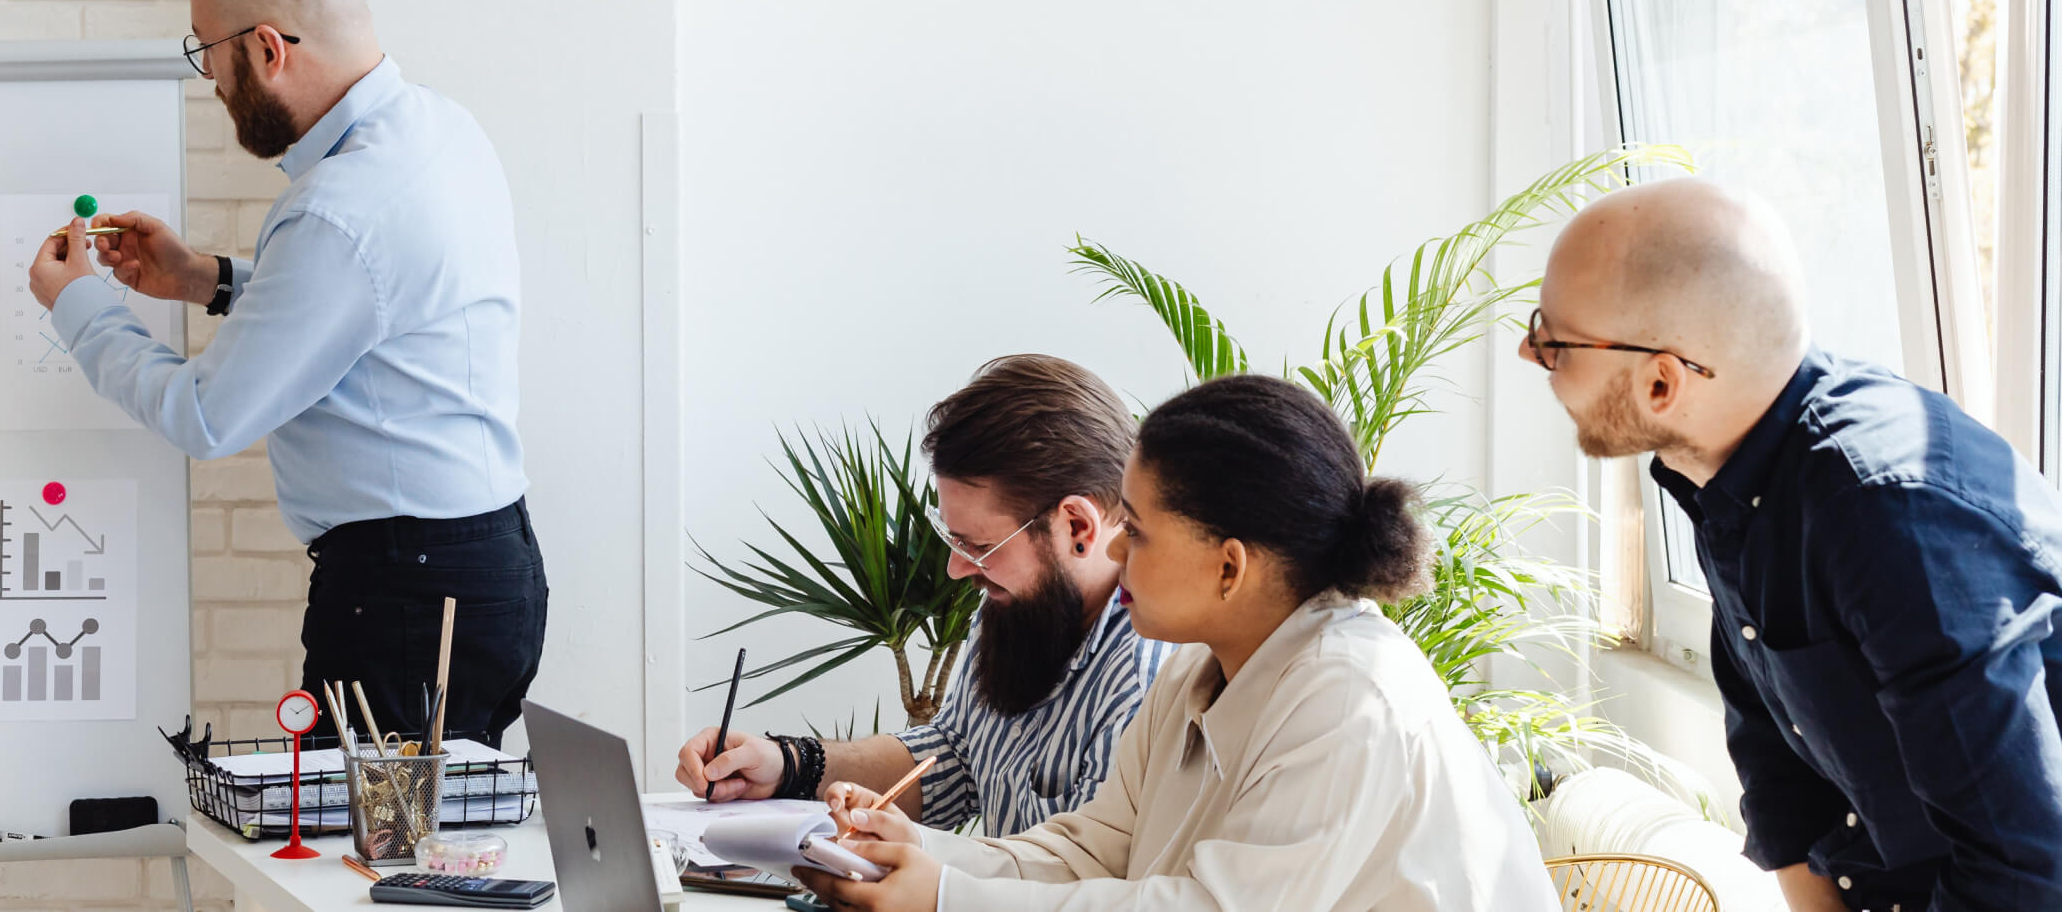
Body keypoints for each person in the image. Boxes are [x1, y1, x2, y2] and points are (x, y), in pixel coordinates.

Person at [24, 0, 544, 746]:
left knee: (370, 836)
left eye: (208, 51)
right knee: (435, 828)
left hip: (406, 596)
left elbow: (206, 415)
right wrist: (204, 279)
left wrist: (79, 305)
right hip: (486, 565)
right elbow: (368, 312)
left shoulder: (338, 210)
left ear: (268, 49)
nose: (211, 79)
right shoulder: (442, 129)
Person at [799, 374, 1556, 912]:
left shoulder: (1350, 696)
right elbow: (1093, 852)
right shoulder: (1198, 671)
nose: (1114, 548)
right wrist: (919, 852)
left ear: (1230, 566)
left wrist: (946, 896)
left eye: (1138, 529)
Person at [1523, 176, 2062, 911]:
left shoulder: (1884, 516)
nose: (1530, 353)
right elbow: (1777, 763)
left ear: (1661, 384)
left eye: (1553, 341)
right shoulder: (1726, 474)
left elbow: (2024, 871)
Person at [675, 354, 1171, 836]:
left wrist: (924, 875)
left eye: (980, 547)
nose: (957, 569)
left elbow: (1085, 876)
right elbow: (953, 756)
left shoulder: (1146, 683)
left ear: (1078, 526)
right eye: (953, 539)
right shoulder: (1014, 605)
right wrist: (789, 765)